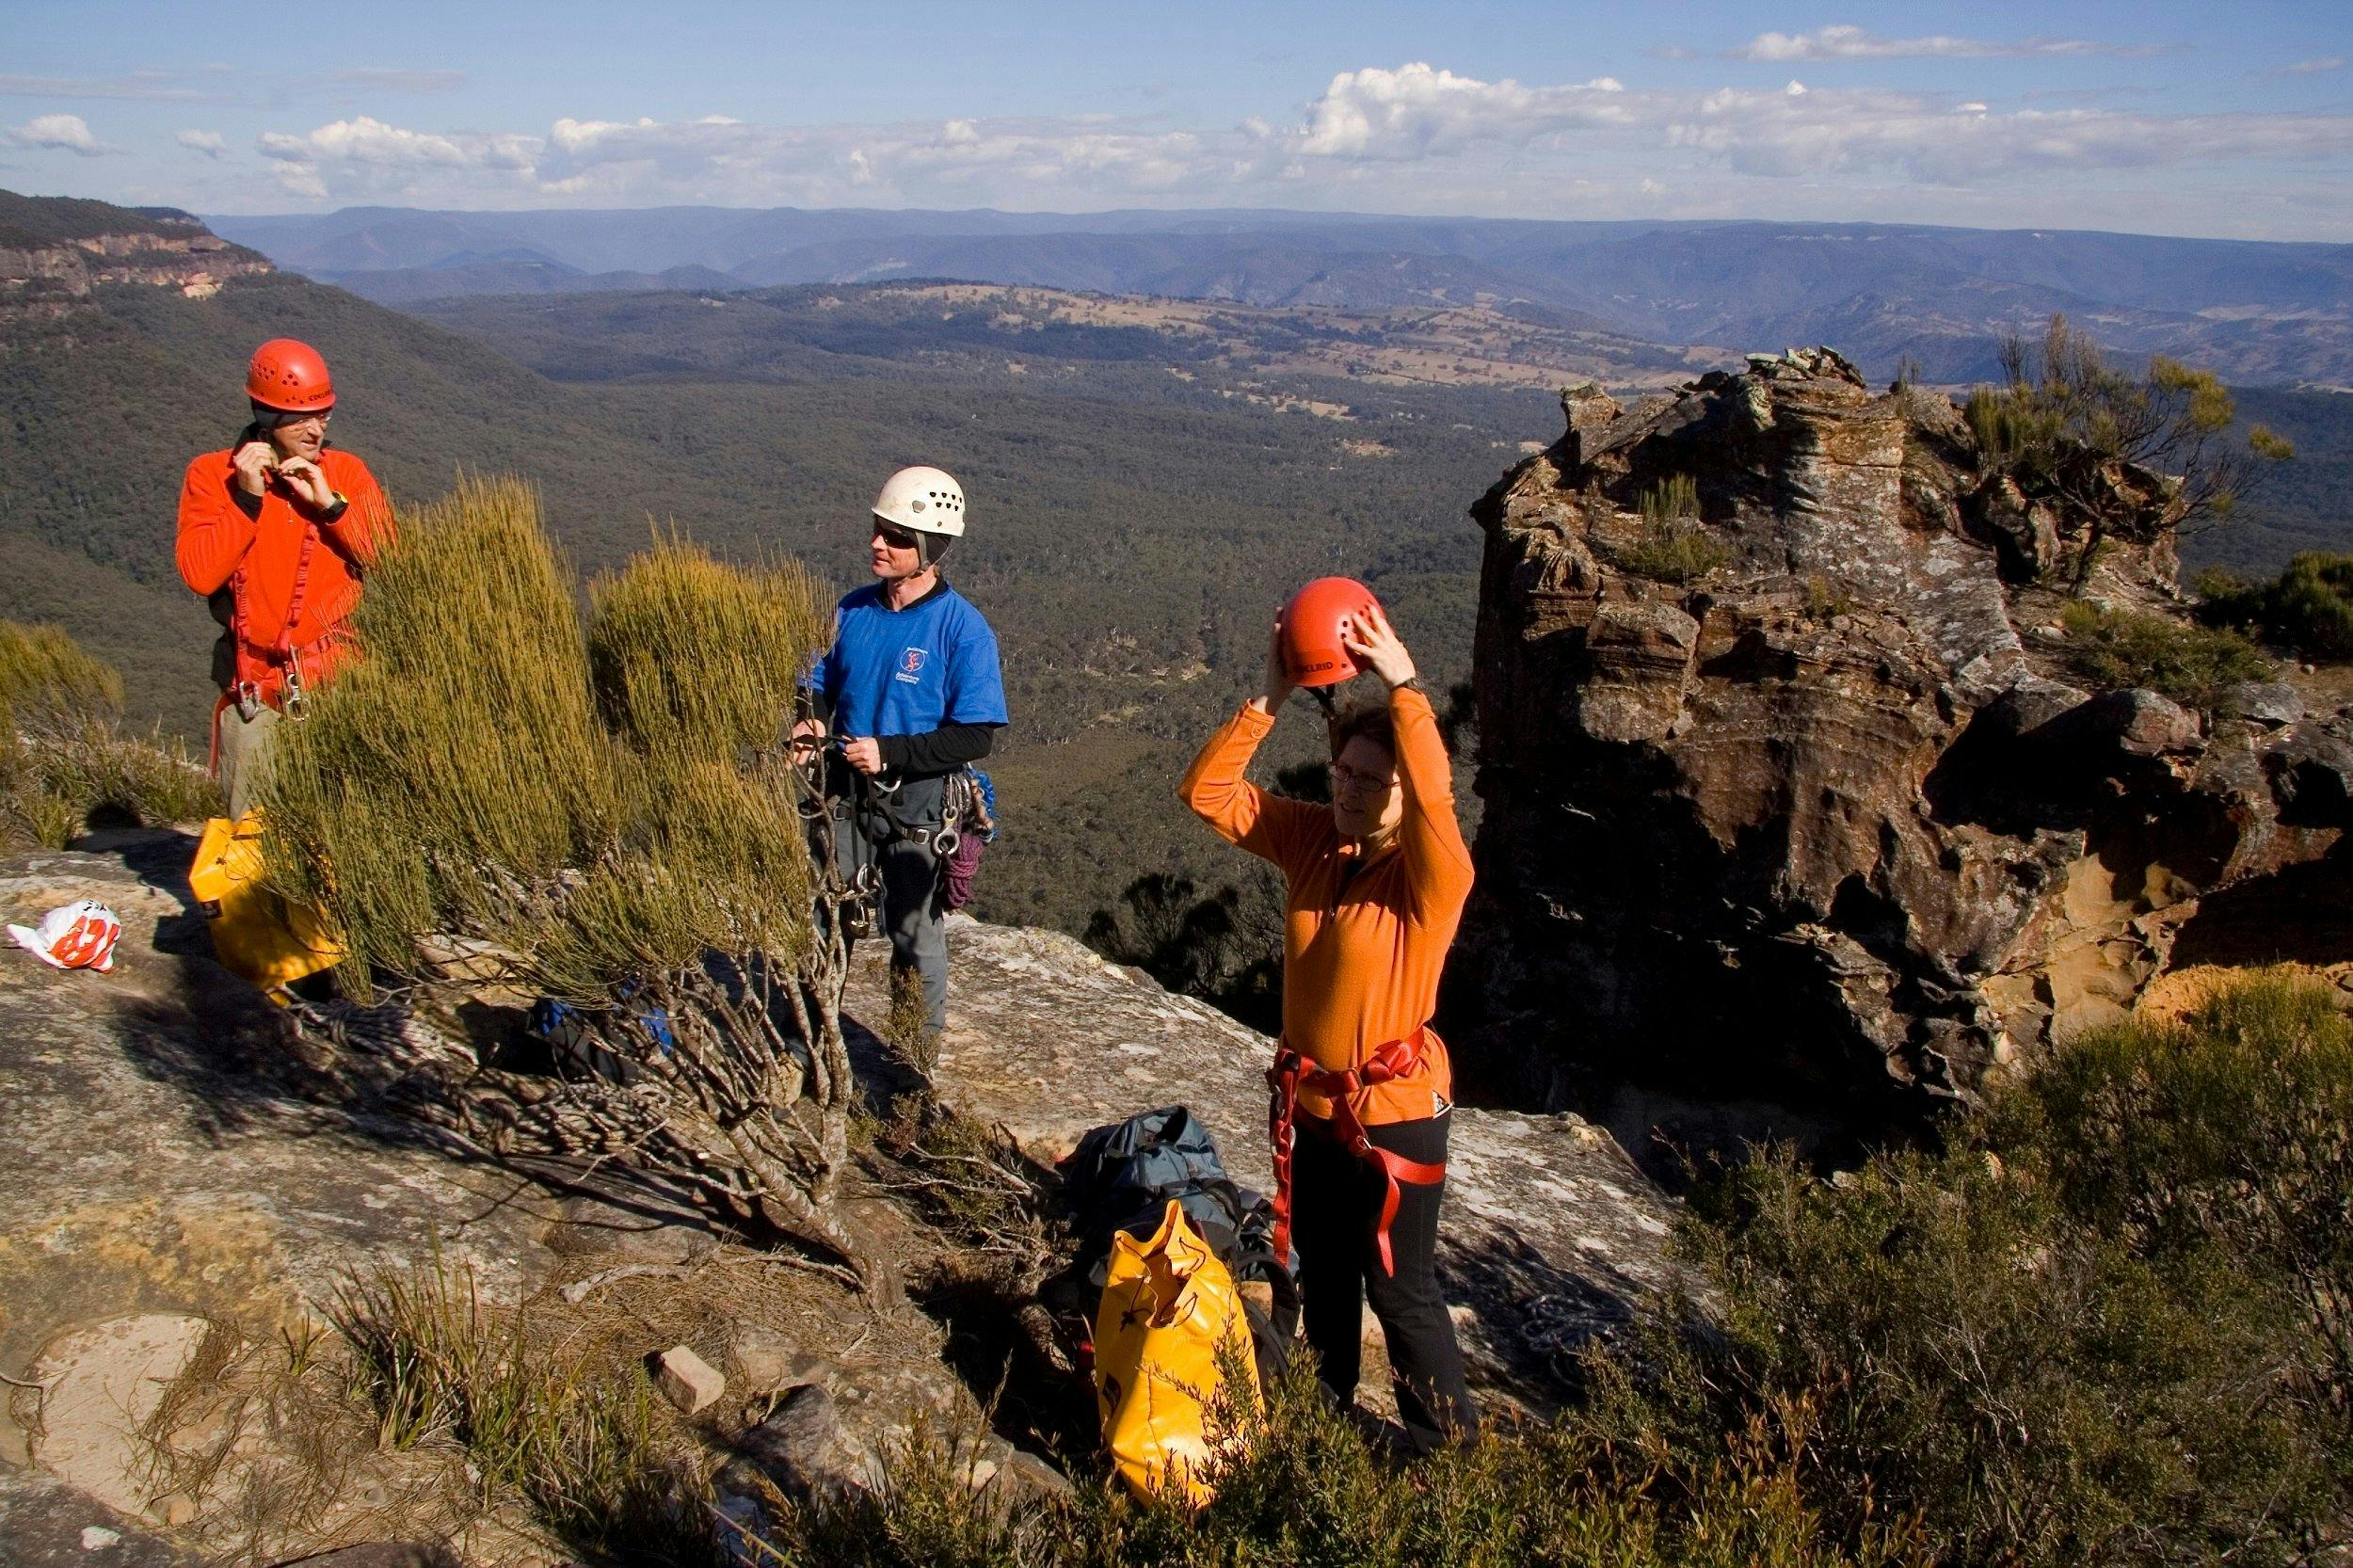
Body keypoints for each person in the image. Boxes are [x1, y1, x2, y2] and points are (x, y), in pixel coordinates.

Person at [1178, 597, 1479, 1454]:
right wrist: (1268, 696)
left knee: (1402, 1290)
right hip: (1314, 1111)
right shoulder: (1315, 841)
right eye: (1341, 773)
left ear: (1402, 793)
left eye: (1371, 782)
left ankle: (1445, 1455)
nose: (1347, 791)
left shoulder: (1431, 883)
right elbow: (1207, 793)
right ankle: (1325, 1414)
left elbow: (1436, 803)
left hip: (1396, 1122)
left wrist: (1407, 689)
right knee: (1327, 1273)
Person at [794, 465, 1007, 1045]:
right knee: (822, 919)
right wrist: (809, 720)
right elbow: (816, 681)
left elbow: (975, 735)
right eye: (877, 529)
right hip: (844, 792)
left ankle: (913, 1063)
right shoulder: (851, 610)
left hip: (915, 802)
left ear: (930, 549)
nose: (877, 544)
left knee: (912, 933)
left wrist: (888, 752)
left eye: (895, 537)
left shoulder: (962, 630)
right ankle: (811, 1042)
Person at [175, 338, 392, 817]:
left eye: (325, 416)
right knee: (252, 842)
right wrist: (246, 502)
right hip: (258, 691)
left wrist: (331, 506)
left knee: (346, 832)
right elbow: (199, 572)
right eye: (303, 418)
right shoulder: (213, 476)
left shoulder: (347, 474)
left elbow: (391, 560)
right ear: (268, 416)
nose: (317, 430)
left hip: (341, 685)